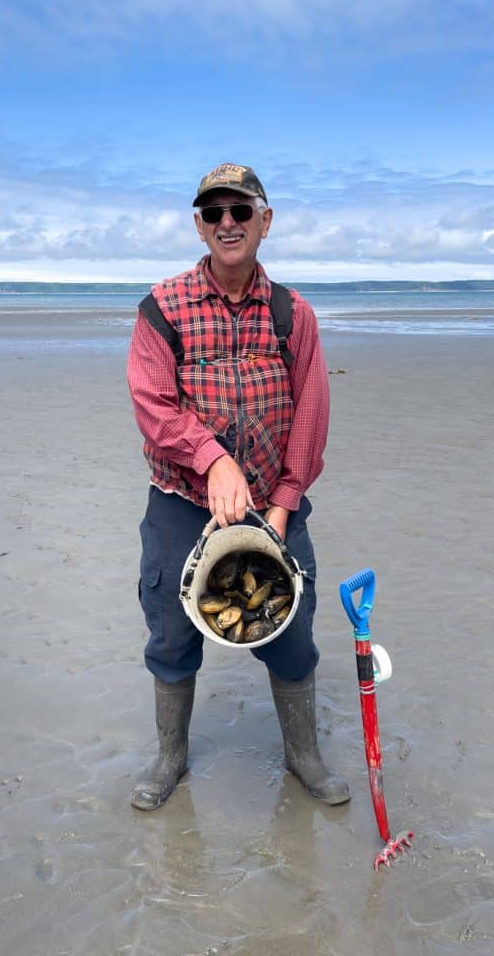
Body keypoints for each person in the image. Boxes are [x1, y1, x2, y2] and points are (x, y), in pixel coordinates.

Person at [127, 162, 350, 811]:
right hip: (181, 503)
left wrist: (283, 502)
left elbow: (311, 406)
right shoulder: (161, 307)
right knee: (171, 630)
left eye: (240, 210)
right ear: (199, 225)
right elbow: (152, 404)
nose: (228, 223)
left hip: (274, 506)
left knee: (292, 627)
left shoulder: (291, 312)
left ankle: (303, 755)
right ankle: (171, 756)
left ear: (265, 220)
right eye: (213, 212)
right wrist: (211, 458)